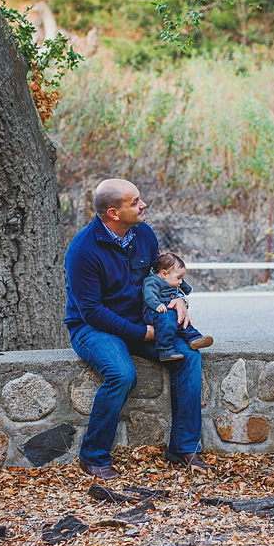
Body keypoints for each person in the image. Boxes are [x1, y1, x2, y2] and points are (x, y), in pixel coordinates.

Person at [64, 178, 213, 479]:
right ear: (113, 213)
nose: (143, 205)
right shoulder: (83, 250)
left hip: (144, 320)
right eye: (135, 202)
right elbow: (91, 312)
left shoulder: (143, 235)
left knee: (189, 357)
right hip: (93, 329)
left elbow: (160, 282)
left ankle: (183, 448)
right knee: (121, 373)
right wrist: (142, 334)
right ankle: (92, 456)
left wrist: (179, 302)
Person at [142, 252, 214, 361]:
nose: (180, 281)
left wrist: (187, 290)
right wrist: (157, 305)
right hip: (153, 310)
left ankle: (194, 338)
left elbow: (183, 284)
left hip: (168, 308)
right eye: (179, 278)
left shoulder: (171, 279)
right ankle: (165, 349)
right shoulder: (152, 281)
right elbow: (149, 295)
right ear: (164, 273)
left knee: (183, 321)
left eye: (182, 278)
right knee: (167, 321)